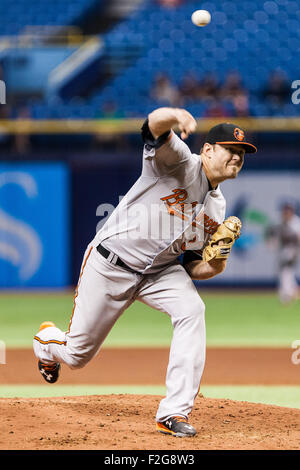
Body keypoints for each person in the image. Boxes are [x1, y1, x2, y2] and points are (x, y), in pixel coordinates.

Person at [33, 107, 257, 437]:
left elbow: (194, 265)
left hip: (161, 273)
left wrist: (218, 262)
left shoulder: (218, 206)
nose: (236, 158)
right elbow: (153, 126)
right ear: (207, 150)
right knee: (77, 356)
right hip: (111, 264)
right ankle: (46, 342)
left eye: (241, 154)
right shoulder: (178, 161)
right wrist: (176, 114)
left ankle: (174, 412)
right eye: (230, 150)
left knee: (192, 309)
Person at [266, 202, 300, 304]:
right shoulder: (280, 222)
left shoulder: (296, 223)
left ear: (291, 212)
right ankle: (292, 291)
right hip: (283, 250)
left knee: (286, 271)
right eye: (284, 211)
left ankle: (286, 295)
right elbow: (272, 232)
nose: (285, 213)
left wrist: (296, 252)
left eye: (287, 211)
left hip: (293, 250)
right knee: (284, 272)